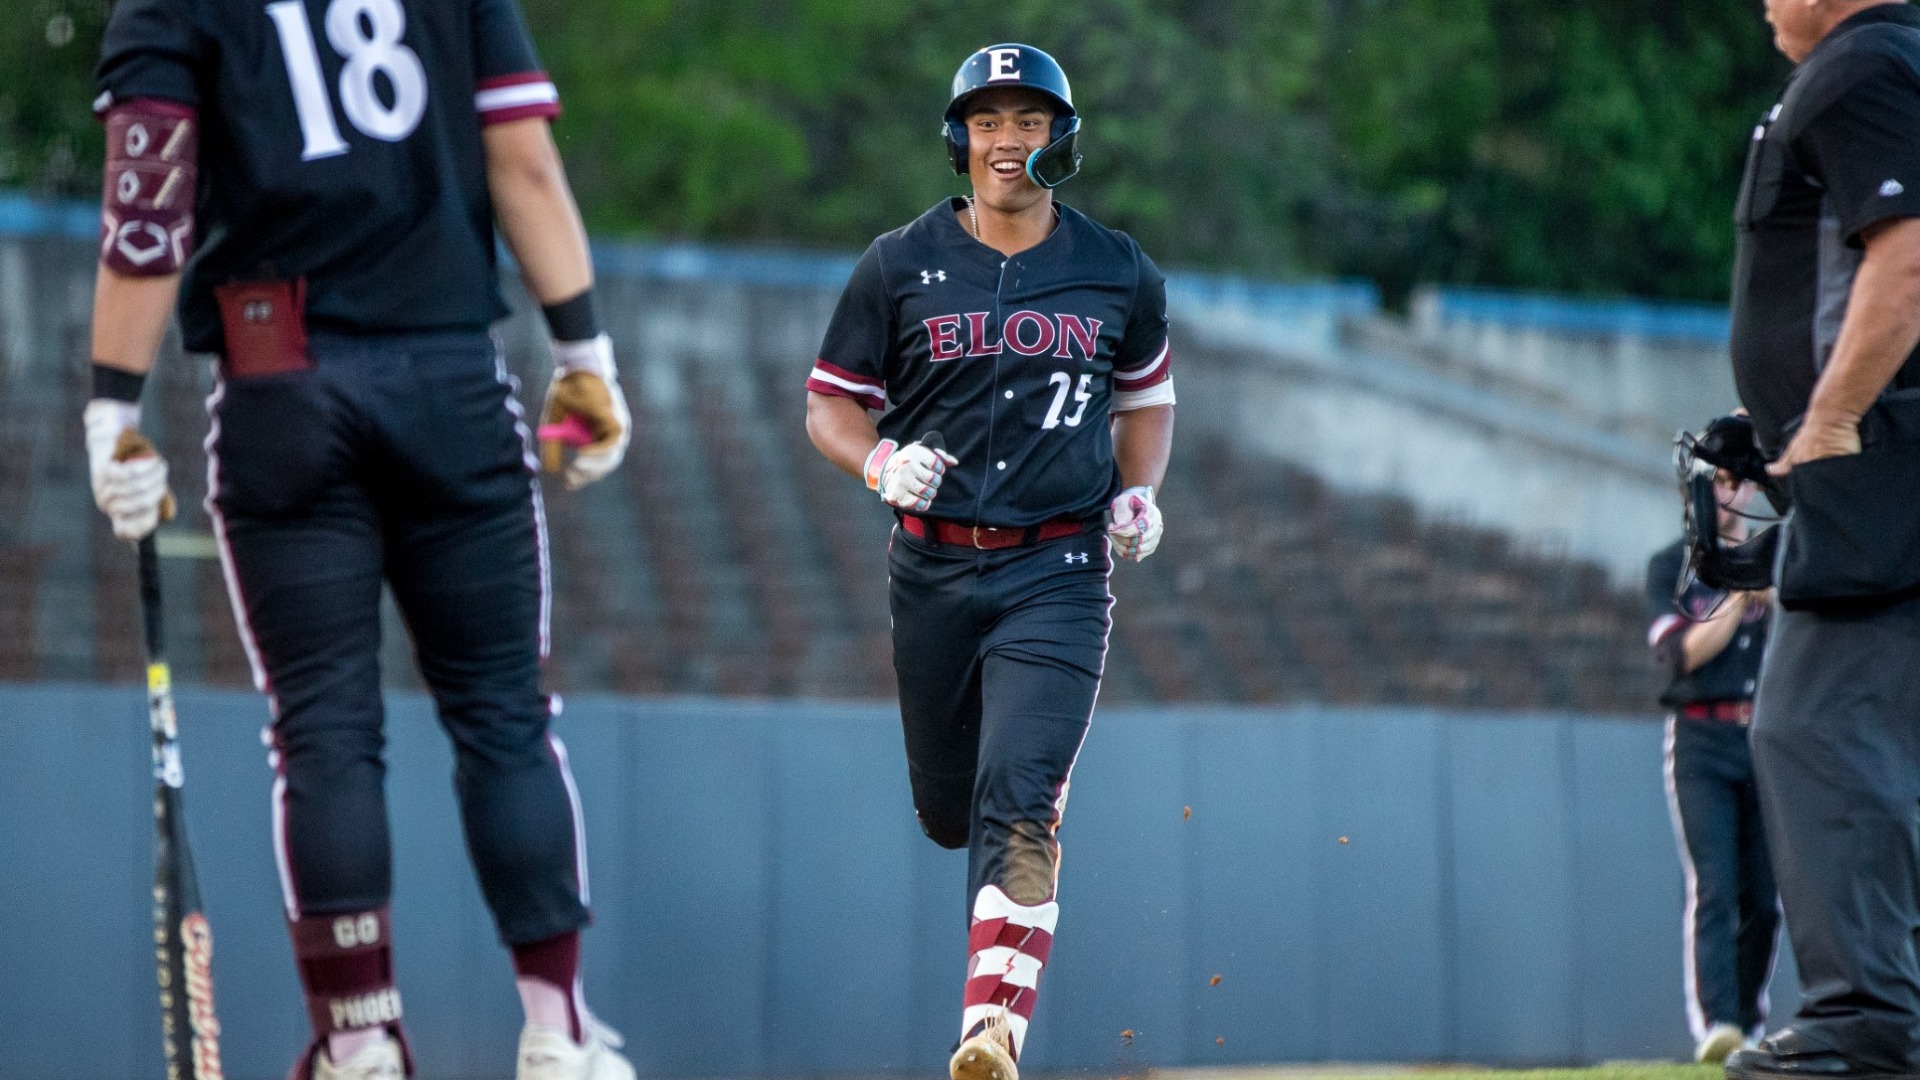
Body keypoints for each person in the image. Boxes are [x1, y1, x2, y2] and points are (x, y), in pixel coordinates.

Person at [85, 0, 633, 1077]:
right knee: (506, 717)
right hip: (447, 375)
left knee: (323, 734)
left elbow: (148, 218)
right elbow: (522, 161)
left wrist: (112, 409)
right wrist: (587, 355)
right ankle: (557, 1030)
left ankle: (360, 1036)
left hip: (277, 376)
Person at [803, 43, 1175, 1080]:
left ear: (1062, 137)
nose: (1008, 139)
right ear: (958, 136)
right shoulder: (896, 262)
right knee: (948, 808)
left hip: (1058, 569)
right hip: (930, 571)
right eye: (989, 119)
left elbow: (1147, 400)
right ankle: (999, 938)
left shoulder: (1118, 266)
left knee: (1021, 798)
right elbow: (827, 401)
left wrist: (1139, 492)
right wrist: (877, 460)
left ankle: (991, 1033)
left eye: (1029, 120)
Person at [1723, 2, 1920, 1077]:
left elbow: (1906, 257)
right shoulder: (1886, 64)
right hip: (1880, 454)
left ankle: (1863, 1026)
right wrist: (1764, 426)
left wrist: (1833, 416)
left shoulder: (1859, 69)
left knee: (1816, 730)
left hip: (1877, 467)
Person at [1647, 468, 1779, 1066]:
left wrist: (1769, 591)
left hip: (1765, 736)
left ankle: (1749, 1022)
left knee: (1764, 894)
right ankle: (1717, 1022)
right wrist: (1736, 597)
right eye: (1720, 482)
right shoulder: (1670, 566)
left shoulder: (1773, 561)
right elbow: (1681, 655)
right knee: (1715, 885)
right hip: (1702, 735)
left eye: (1739, 482)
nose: (1731, 494)